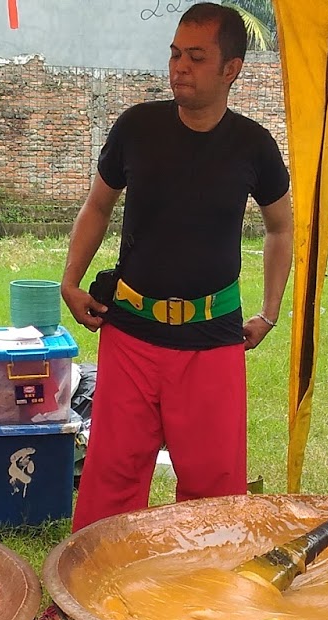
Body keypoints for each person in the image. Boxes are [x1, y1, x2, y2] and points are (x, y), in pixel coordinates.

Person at [60, 2, 291, 531]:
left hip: (213, 339)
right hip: (131, 333)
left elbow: (281, 228)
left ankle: (205, 583)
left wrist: (270, 311)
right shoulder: (137, 127)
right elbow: (97, 206)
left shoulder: (253, 145)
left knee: (214, 492)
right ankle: (96, 580)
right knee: (111, 480)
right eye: (174, 54)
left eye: (196, 57)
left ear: (231, 69)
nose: (179, 67)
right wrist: (70, 282)